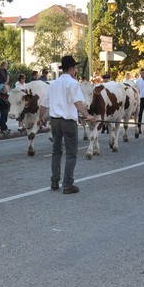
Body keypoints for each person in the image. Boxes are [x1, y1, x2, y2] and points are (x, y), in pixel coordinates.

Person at [37, 55, 96, 194]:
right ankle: (68, 184)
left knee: (56, 151)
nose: (76, 70)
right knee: (71, 154)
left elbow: (44, 103)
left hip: (55, 121)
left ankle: (54, 181)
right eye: (75, 68)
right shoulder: (73, 83)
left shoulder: (53, 84)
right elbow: (77, 101)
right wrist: (87, 115)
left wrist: (40, 118)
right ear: (71, 68)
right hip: (68, 121)